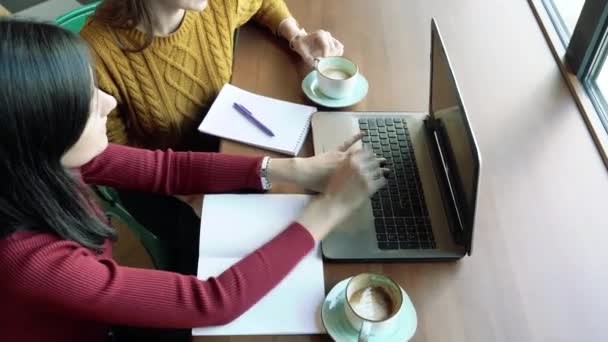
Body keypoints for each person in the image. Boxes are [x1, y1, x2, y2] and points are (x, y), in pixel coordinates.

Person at [0, 20, 385, 342]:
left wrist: (291, 170)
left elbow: (166, 170)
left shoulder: (37, 165)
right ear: (40, 134)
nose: (108, 102)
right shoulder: (29, 261)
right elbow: (212, 303)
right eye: (87, 102)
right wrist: (329, 209)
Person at [79, 0, 345, 274]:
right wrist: (189, 195)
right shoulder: (96, 52)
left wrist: (297, 36)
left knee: (289, 205)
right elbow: (117, 160)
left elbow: (263, 2)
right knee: (221, 252)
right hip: (157, 185)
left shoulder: (214, 4)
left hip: (223, 144)